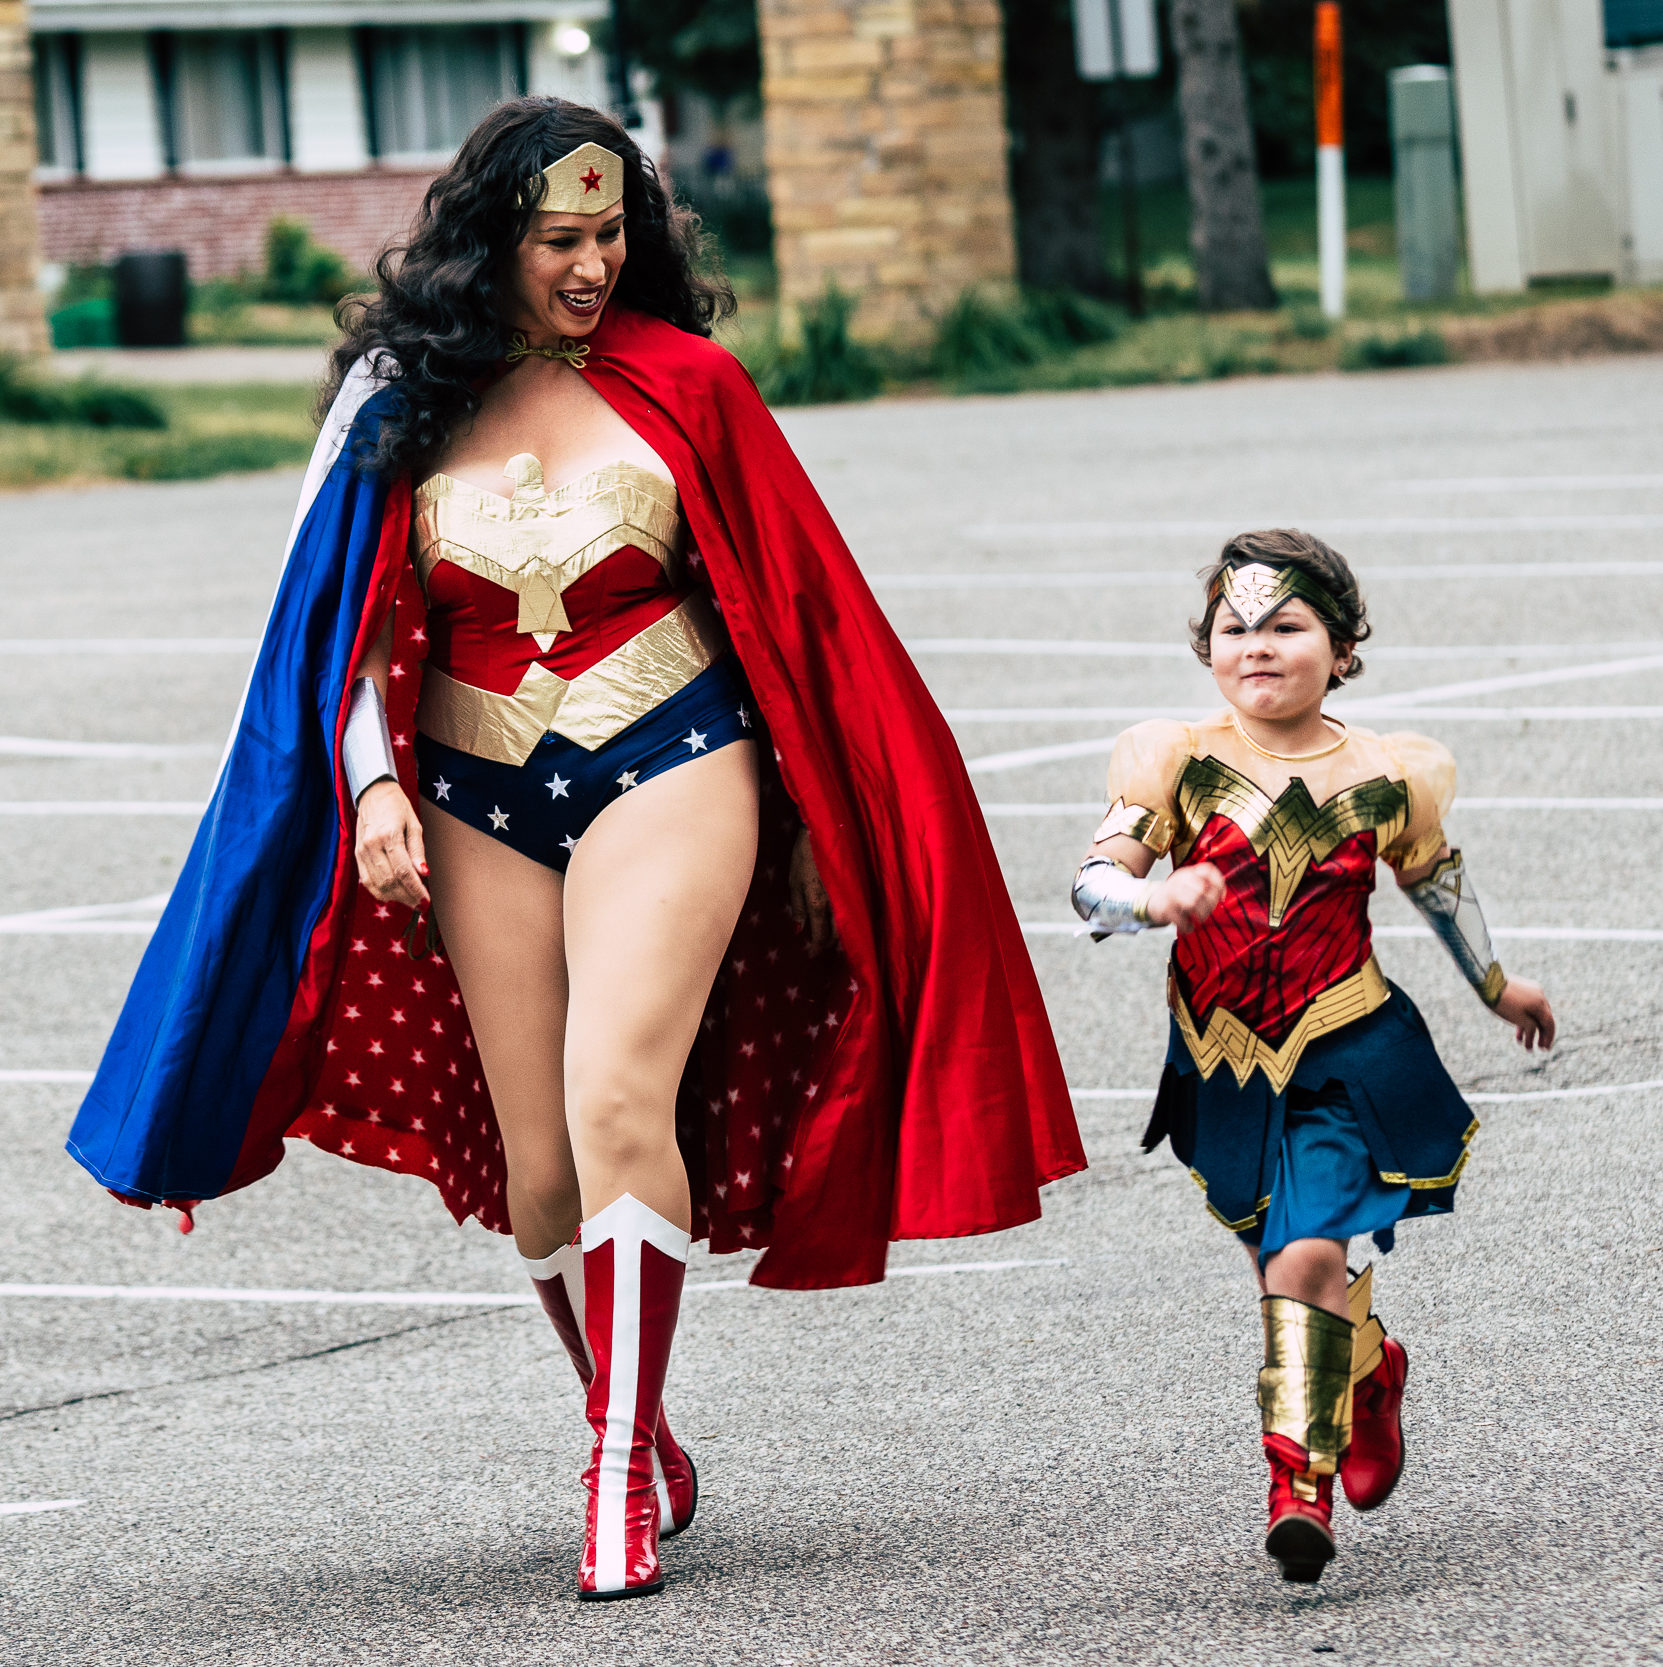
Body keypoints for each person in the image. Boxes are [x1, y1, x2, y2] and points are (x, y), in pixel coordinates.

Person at [69, 99, 1084, 1601]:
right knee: (537, 1165)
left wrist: (816, 817)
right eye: (559, 239)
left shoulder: (691, 387)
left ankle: (607, 1466)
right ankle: (636, 1413)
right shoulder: (394, 397)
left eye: (612, 235)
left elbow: (799, 621)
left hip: (670, 757)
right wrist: (367, 790)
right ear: (490, 240)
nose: (592, 265)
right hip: (478, 791)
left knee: (618, 1092)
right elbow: (328, 630)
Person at [1070, 529, 1554, 1584]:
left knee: (1303, 1258)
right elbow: (1092, 883)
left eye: (1287, 625)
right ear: (1206, 649)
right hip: (1219, 1064)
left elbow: (1434, 882)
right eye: (1235, 626)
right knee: (1287, 1263)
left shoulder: (1390, 771)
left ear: (1341, 649)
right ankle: (1370, 1371)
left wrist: (1495, 983)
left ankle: (1298, 1485)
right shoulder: (1174, 757)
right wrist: (1151, 896)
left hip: (1347, 1051)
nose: (1258, 644)